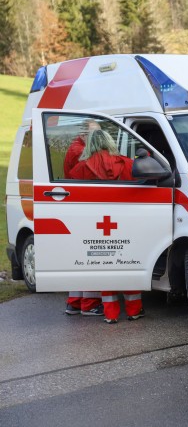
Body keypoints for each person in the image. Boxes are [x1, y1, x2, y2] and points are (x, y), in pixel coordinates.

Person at [69, 129, 144, 324]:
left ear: (90, 144)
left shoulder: (79, 169)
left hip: (93, 225)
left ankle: (110, 314)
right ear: (111, 142)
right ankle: (134, 310)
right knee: (128, 265)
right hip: (125, 222)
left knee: (100, 266)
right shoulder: (128, 164)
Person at [64, 119, 104, 316]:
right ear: (84, 134)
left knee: (79, 258)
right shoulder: (80, 151)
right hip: (85, 206)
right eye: (95, 133)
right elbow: (95, 167)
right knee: (91, 257)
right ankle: (89, 303)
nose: (97, 137)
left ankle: (75, 302)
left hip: (78, 207)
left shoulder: (76, 147)